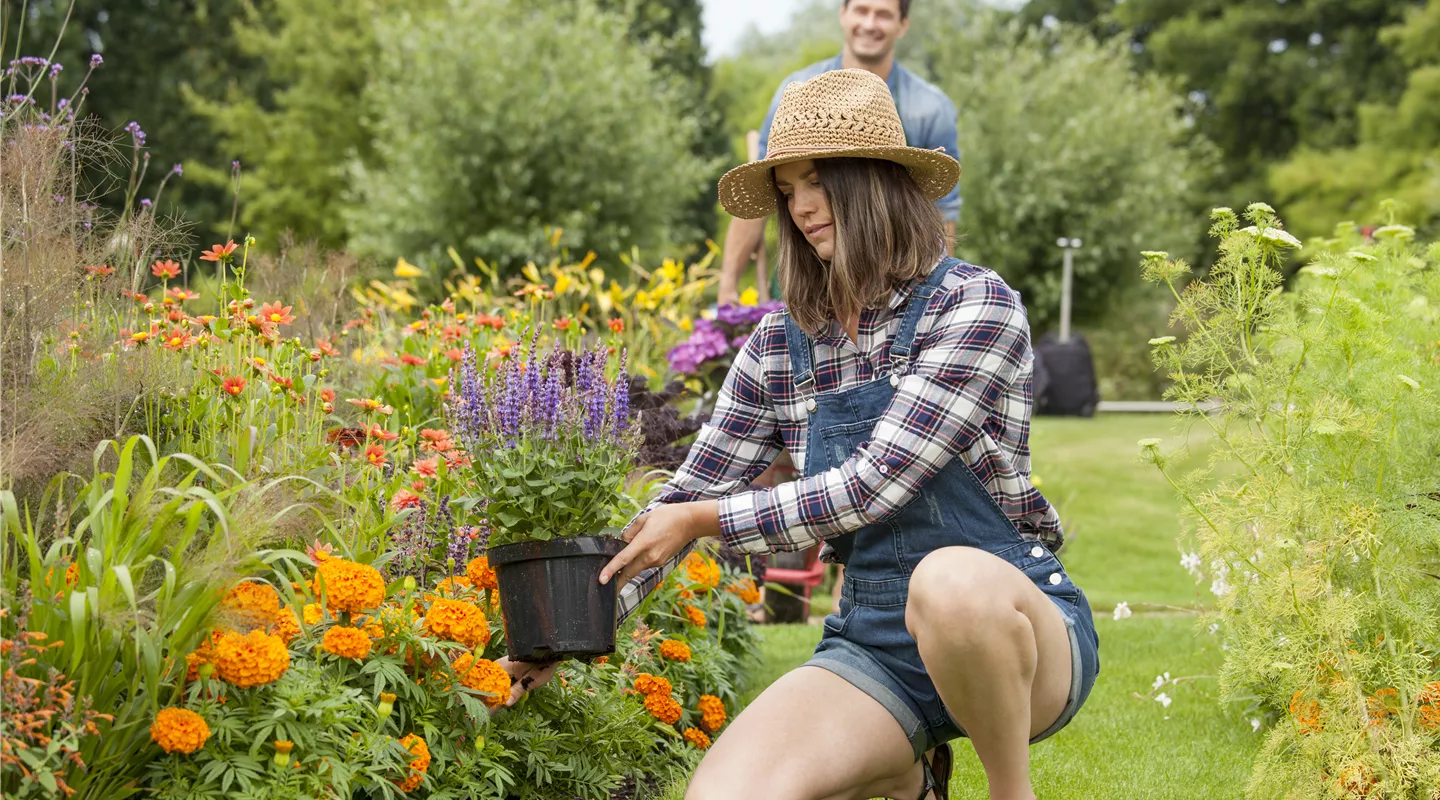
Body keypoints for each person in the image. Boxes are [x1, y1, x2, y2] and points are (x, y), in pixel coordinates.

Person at [500, 69, 1099, 800]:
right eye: (788, 190)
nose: (803, 207)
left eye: (818, 180)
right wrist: (565, 630)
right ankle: (907, 778)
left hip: (1015, 633)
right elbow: (690, 493)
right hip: (880, 641)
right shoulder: (782, 345)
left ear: (876, 181)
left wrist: (705, 519)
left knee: (951, 583)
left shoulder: (974, 307)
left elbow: (872, 486)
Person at [716, 0, 961, 307]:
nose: (870, 24)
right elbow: (762, 193)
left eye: (883, 14)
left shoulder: (929, 108)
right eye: (861, 10)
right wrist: (728, 288)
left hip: (893, 279)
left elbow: (941, 215)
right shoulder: (796, 93)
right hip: (812, 276)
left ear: (903, 24)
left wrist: (933, 294)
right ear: (843, 14)